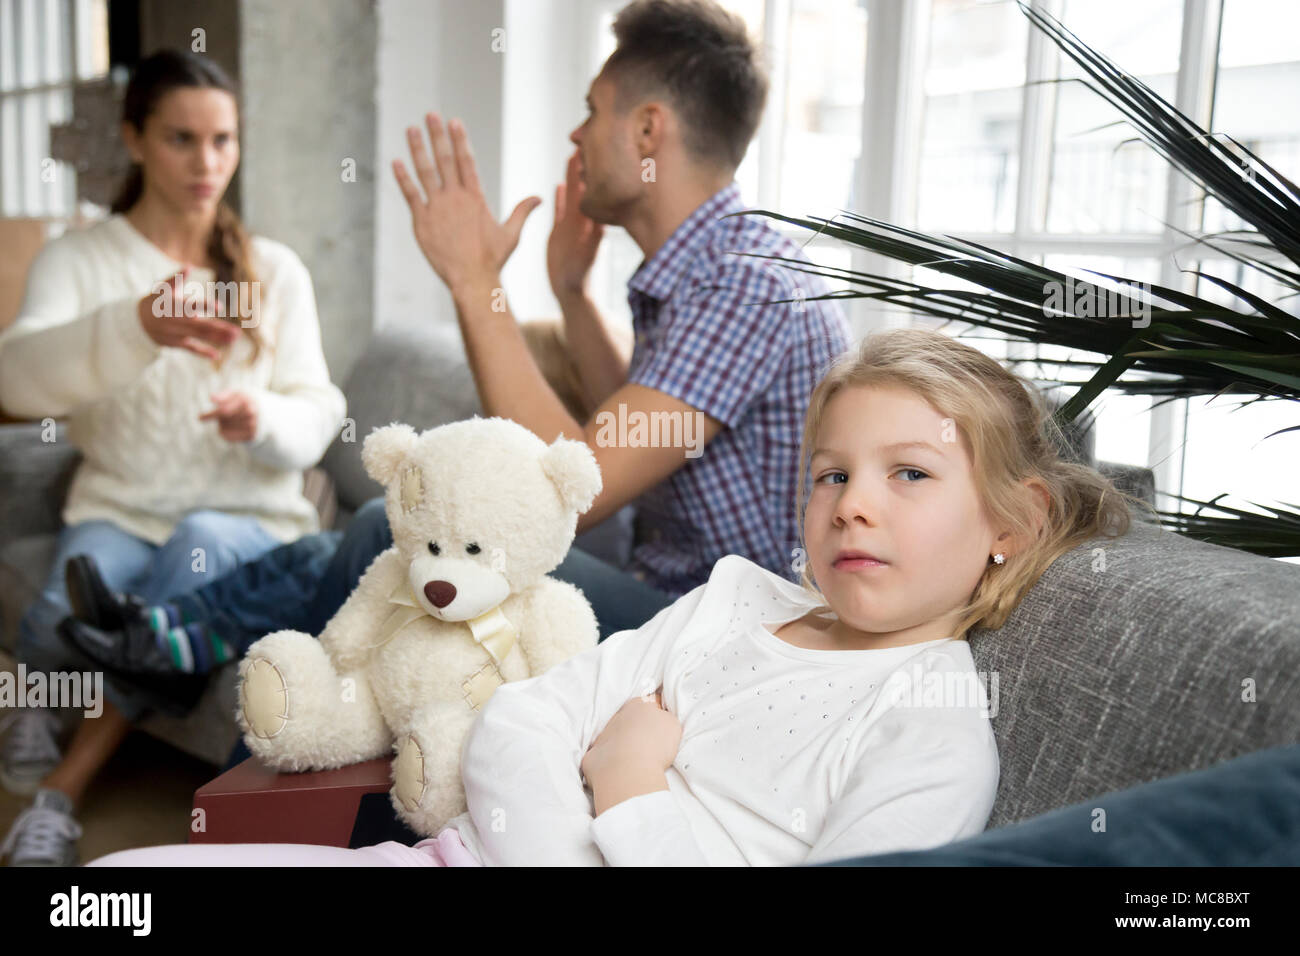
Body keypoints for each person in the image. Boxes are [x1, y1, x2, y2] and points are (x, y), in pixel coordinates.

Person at [85, 326, 1142, 866]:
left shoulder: (933, 730)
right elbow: (521, 721)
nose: (854, 504)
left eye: (907, 474)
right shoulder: (731, 601)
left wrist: (631, 786)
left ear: (1013, 523)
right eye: (832, 472)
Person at [56, 0, 850, 683]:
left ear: (648, 129)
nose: (576, 136)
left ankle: (197, 668)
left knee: (394, 533)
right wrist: (571, 295)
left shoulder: (743, 283)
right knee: (389, 539)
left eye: (593, 109)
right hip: (677, 603)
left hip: (712, 639)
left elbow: (574, 488)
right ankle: (182, 635)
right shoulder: (716, 269)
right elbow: (639, 434)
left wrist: (477, 283)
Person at [0, 50, 346, 867]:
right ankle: (42, 698)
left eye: (223, 140)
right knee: (60, 622)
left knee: (190, 560)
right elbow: (14, 378)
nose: (207, 163)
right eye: (181, 139)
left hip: (249, 518)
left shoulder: (277, 272)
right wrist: (135, 328)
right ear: (135, 139)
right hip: (120, 506)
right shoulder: (81, 261)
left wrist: (262, 415)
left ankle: (61, 795)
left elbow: (320, 413)